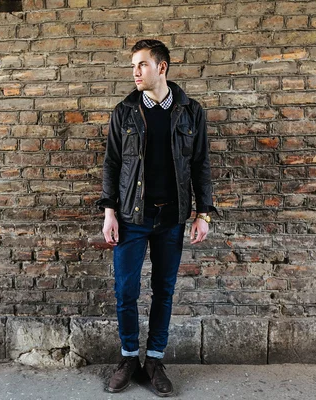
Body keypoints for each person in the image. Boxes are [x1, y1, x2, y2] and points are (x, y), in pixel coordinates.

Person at [96, 39, 217, 397]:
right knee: (125, 291)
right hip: (132, 217)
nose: (135, 72)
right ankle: (129, 357)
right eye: (133, 65)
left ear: (161, 67)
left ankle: (154, 360)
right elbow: (112, 165)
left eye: (142, 65)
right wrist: (109, 212)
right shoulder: (125, 112)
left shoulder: (190, 112)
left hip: (172, 218)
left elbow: (201, 166)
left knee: (163, 291)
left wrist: (203, 213)